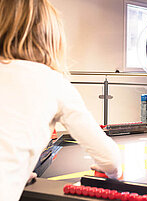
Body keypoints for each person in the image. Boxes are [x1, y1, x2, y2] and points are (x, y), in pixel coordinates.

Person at [0, 1, 121, 200]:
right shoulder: (53, 81)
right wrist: (113, 172)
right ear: (51, 39)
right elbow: (111, 160)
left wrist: (19, 170)